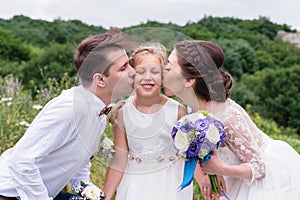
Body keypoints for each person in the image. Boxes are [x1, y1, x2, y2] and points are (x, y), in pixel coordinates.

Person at [0, 30, 136, 200]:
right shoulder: (70, 109)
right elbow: (21, 162)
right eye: (124, 68)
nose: (133, 72)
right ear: (100, 80)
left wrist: (88, 192)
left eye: (129, 64)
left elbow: (78, 163)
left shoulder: (98, 110)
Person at [163, 40, 300, 200]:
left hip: (266, 180)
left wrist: (221, 169)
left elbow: (260, 168)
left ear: (189, 80)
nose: (163, 71)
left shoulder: (227, 116)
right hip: (235, 179)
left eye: (169, 66)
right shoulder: (191, 108)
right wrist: (206, 176)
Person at [103, 43, 194, 200]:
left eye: (155, 72)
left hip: (171, 185)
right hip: (135, 186)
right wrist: (104, 196)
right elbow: (119, 159)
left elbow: (190, 154)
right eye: (141, 71)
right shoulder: (123, 113)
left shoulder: (178, 111)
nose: (147, 77)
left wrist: (206, 181)